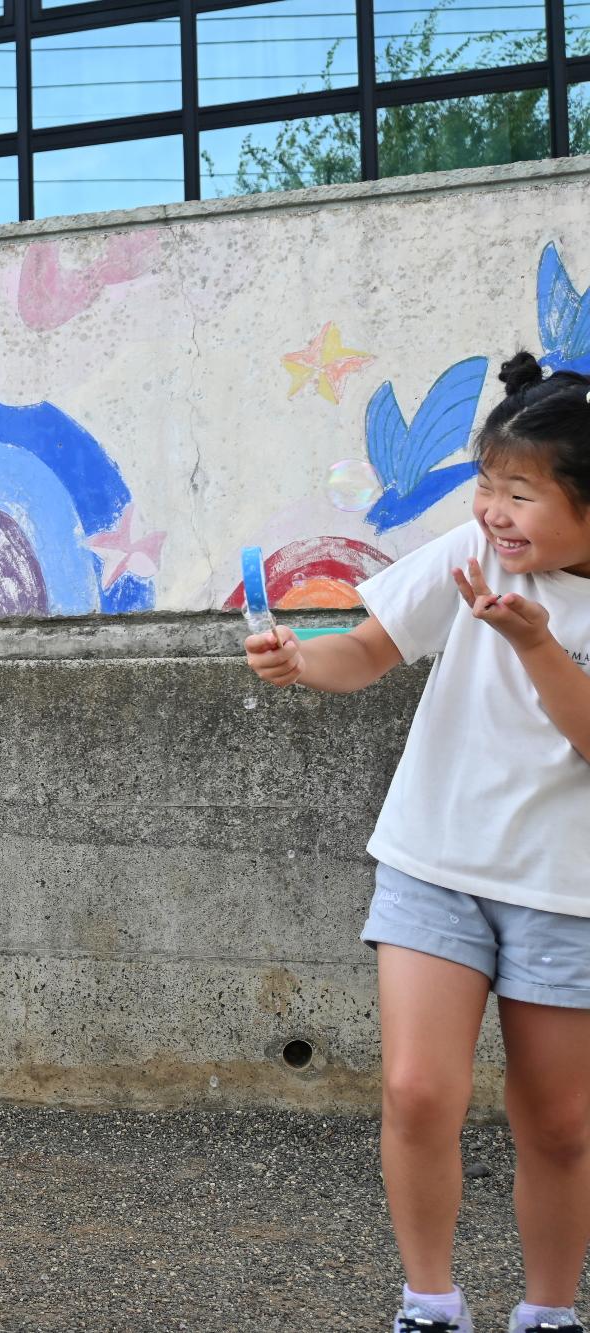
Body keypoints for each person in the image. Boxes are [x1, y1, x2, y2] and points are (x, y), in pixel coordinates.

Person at [246, 352, 590, 1333]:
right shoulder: (466, 556)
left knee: (560, 1126)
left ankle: (547, 1313)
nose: (490, 511)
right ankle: (428, 1302)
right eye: (485, 485)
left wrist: (532, 641)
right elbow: (364, 650)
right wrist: (297, 662)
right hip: (432, 861)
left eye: (517, 492)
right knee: (413, 1091)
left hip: (566, 890)